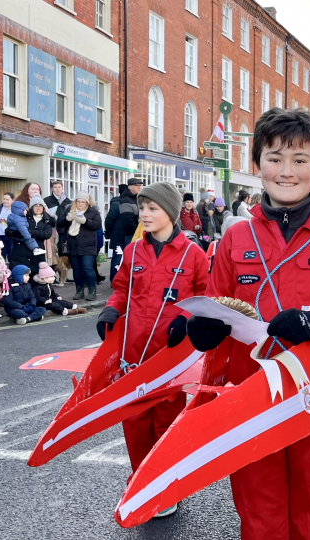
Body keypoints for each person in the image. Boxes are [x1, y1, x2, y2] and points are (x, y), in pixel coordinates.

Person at [183, 107, 310, 540]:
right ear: (257, 166)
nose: (286, 171)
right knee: (259, 517)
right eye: (274, 158)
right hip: (250, 396)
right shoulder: (235, 237)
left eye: (299, 160)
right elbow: (214, 309)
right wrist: (202, 332)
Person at [96, 181, 209, 519]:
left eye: (152, 208)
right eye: (142, 208)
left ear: (171, 212)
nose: (144, 214)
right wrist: (110, 310)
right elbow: (120, 290)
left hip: (171, 357)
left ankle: (162, 485)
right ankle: (139, 480)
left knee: (165, 422)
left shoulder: (194, 254)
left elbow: (207, 298)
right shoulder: (133, 253)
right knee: (134, 421)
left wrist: (187, 320)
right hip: (134, 354)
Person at [57, 192, 101, 301]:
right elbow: (59, 223)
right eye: (78, 201)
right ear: (75, 201)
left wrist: (85, 221)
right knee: (76, 270)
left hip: (88, 246)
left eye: (83, 202)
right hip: (72, 245)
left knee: (87, 268)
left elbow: (97, 225)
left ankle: (92, 291)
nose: (80, 204)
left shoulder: (93, 212)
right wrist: (67, 219)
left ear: (87, 202)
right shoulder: (69, 210)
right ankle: (79, 291)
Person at [7, 195, 54, 276]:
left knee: (36, 279)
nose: (38, 208)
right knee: (20, 278)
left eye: (40, 205)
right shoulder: (23, 217)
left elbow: (47, 234)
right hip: (20, 252)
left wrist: (29, 232)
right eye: (35, 205)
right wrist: (16, 233)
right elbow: (9, 231)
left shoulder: (47, 219)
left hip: (38, 253)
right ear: (31, 207)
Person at [106, 178, 142, 282]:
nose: (139, 187)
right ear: (130, 187)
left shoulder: (136, 199)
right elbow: (126, 221)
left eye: (140, 185)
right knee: (119, 258)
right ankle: (115, 281)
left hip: (127, 235)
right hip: (123, 235)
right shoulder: (125, 201)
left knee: (123, 258)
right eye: (137, 185)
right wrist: (108, 234)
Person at [0, 192, 15, 261]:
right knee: (1, 257)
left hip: (10, 236)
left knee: (11, 256)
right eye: (4, 199)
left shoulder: (14, 210)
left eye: (7, 199)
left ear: (12, 200)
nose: (5, 201)